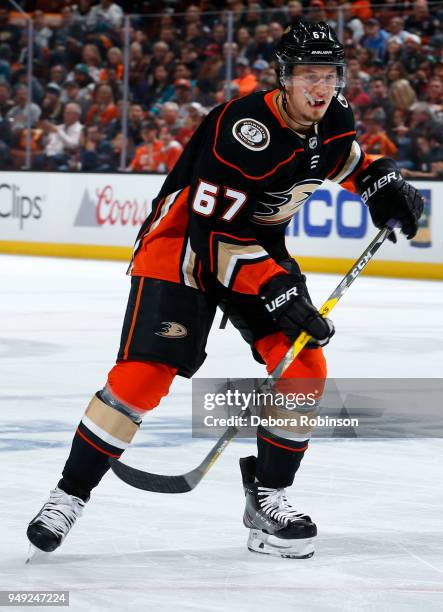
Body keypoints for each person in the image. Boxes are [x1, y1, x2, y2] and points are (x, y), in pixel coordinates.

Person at [27, 19, 423, 560]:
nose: (321, 88)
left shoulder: (334, 116)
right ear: (284, 78)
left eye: (330, 75)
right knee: (141, 378)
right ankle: (67, 495)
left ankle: (267, 500)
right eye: (310, 76)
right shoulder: (240, 129)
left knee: (304, 368)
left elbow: (341, 160)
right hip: (186, 247)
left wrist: (379, 178)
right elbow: (214, 239)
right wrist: (281, 291)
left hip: (254, 247)